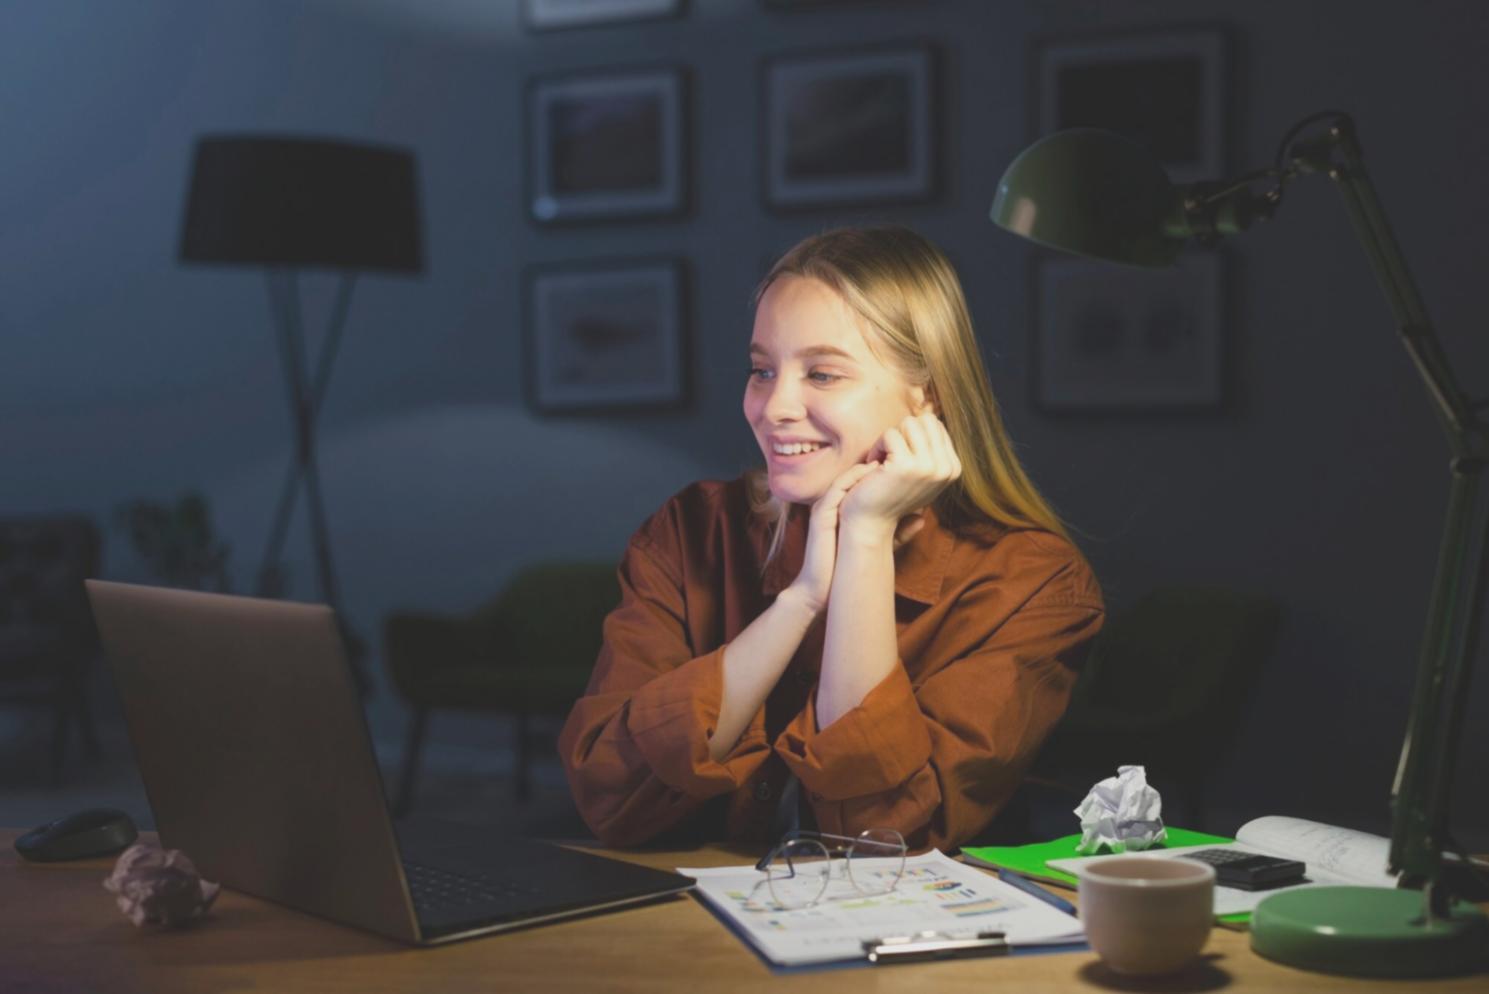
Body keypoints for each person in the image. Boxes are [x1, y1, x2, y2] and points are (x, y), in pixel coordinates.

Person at [558, 225, 1104, 851]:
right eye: (762, 369)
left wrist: (865, 540)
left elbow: (882, 838)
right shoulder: (689, 532)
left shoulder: (1031, 582)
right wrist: (803, 598)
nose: (774, 407)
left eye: (822, 375)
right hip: (683, 920)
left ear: (926, 396)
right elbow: (610, 795)